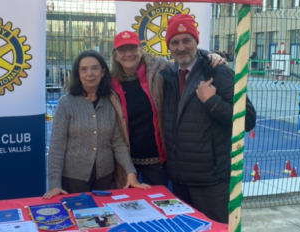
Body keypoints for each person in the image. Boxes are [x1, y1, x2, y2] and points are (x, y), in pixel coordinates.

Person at [160, 14, 256, 223]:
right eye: (174, 42)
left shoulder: (219, 73)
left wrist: (212, 102)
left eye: (187, 40)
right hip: (179, 180)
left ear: (197, 41)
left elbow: (247, 120)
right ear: (169, 47)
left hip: (211, 182)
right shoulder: (169, 77)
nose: (181, 47)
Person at [110, 31, 226, 188]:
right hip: (127, 165)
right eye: (122, 50)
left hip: (158, 161)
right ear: (116, 56)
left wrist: (210, 55)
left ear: (140, 50)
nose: (128, 54)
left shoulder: (160, 68)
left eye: (132, 48)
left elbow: (186, 61)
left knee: (159, 207)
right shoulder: (109, 83)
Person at [43, 50, 150, 199]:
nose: (90, 74)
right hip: (73, 181)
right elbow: (57, 146)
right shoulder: (66, 103)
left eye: (94, 68)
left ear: (102, 71)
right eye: (84, 69)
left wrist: (130, 173)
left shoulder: (111, 101)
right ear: (77, 74)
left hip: (104, 179)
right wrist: (54, 185)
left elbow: (118, 143)